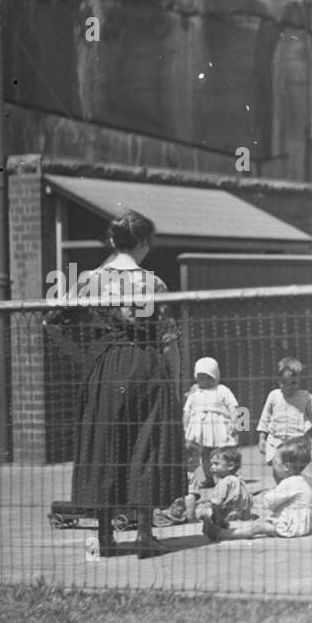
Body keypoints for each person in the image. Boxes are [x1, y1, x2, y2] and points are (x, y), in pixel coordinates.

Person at [41, 209, 184, 558]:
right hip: (147, 367)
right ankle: (146, 537)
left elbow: (52, 323)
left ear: (112, 241)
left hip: (104, 367)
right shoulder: (154, 284)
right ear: (145, 243)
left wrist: (84, 358)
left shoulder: (89, 279)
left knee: (105, 444)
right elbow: (169, 341)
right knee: (145, 446)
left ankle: (106, 538)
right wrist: (175, 382)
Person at [213, 439, 312, 540]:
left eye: (275, 461)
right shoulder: (306, 480)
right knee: (261, 521)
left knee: (257, 527)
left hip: (291, 527)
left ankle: (223, 534)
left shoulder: (289, 483)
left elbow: (268, 502)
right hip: (304, 525)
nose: (272, 464)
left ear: (286, 466)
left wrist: (265, 495)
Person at [183, 356, 239, 487]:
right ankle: (208, 478)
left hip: (219, 430)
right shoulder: (194, 393)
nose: (205, 381)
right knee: (204, 455)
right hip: (200, 431)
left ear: (216, 376)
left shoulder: (222, 390)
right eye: (201, 377)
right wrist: (185, 426)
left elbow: (233, 406)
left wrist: (235, 422)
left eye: (209, 377)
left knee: (223, 453)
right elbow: (187, 410)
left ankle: (228, 477)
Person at [257, 357, 312, 466]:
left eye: (293, 383)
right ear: (278, 381)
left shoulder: (306, 397)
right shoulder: (274, 396)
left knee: (295, 470)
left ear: (299, 380)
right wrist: (261, 439)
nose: (289, 387)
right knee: (279, 469)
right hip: (277, 441)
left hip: (298, 442)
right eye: (284, 382)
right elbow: (265, 418)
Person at [196, 447, 253, 535]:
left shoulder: (224, 482)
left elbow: (217, 503)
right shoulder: (238, 479)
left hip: (227, 516)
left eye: (216, 464)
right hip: (242, 514)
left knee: (201, 511)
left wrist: (215, 517)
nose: (212, 467)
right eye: (211, 464)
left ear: (230, 465)